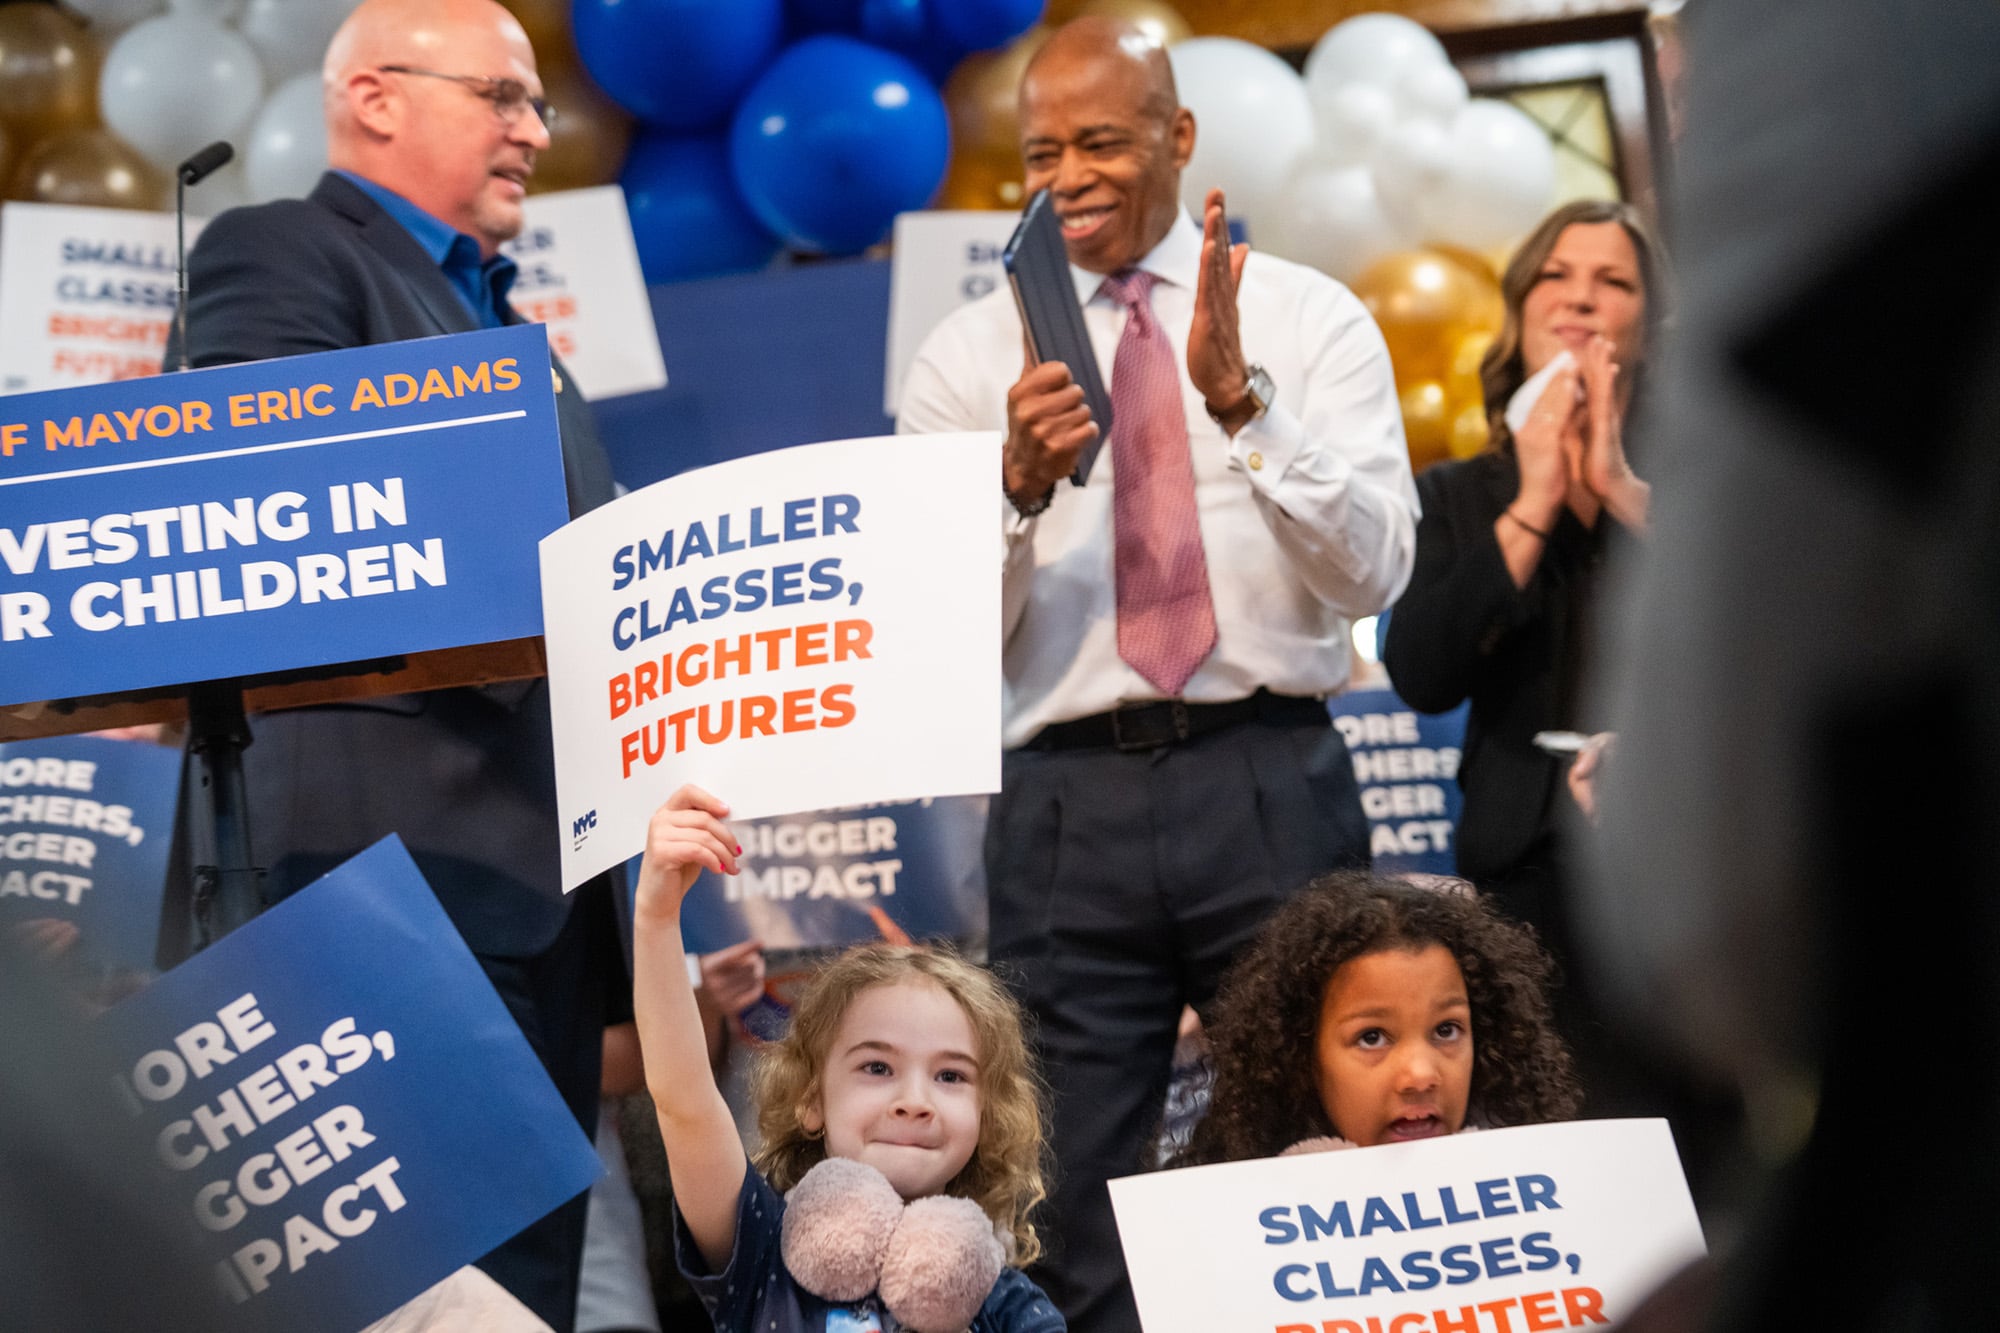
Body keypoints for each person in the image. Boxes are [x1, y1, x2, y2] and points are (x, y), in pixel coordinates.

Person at [895, 19, 1416, 1328]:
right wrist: (1009, 489)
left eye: (1102, 141)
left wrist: (1251, 410)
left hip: (1269, 778)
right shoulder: (968, 360)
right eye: (1041, 151)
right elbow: (925, 638)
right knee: (1071, 1198)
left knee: (1315, 1151)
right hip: (1063, 807)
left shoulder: (1306, 315)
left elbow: (1378, 573)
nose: (1064, 174)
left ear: (1179, 139)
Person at [166, 2, 623, 1326]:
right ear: (375, 97)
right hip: (375, 895)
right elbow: (276, 502)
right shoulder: (281, 249)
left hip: (540, 910)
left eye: (535, 104)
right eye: (506, 96)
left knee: (522, 1305)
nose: (537, 131)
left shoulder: (512, 328)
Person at [1381, 199, 1664, 1109]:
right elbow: (1422, 672)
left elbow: (1762, 613)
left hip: (1669, 843)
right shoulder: (1460, 493)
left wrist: (1616, 483)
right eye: (1557, 275)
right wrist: (1537, 498)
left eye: (1613, 281)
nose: (1581, 297)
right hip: (1521, 871)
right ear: (1520, 309)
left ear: (1646, 321)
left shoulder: (1688, 478)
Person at [631, 785, 1065, 1333]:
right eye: (877, 1067)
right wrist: (656, 916)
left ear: (988, 1116)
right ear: (812, 1099)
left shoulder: (1007, 1305)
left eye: (951, 1075)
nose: (914, 1102)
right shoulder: (762, 1249)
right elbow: (684, 1103)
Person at [1174, 871, 1579, 1165]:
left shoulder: (1553, 1186)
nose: (1421, 1075)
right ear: (1301, 1061)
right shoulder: (1230, 1230)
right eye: (1372, 1037)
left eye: (1446, 1030)